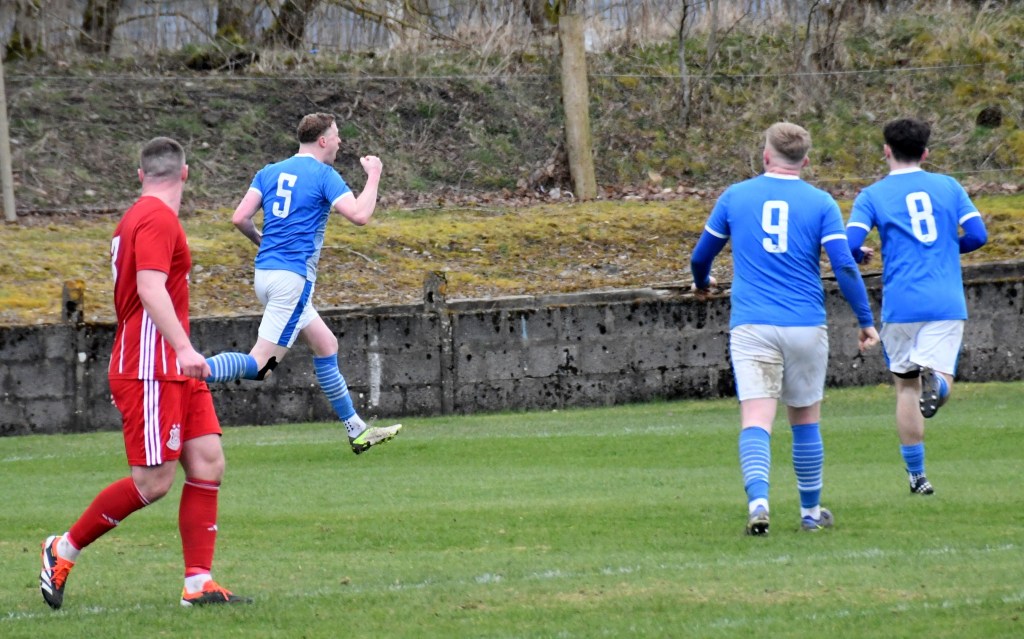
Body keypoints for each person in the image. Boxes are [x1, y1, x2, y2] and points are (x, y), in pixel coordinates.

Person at [40, 137, 250, 609]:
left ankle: (198, 582)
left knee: (208, 462)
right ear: (185, 173)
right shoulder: (156, 218)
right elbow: (150, 288)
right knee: (153, 482)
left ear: (141, 175)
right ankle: (63, 548)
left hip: (172, 368)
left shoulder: (140, 216)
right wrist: (184, 347)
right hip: (150, 368)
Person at [690, 122, 879, 536]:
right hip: (805, 325)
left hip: (753, 324)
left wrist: (702, 283)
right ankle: (810, 513)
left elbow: (700, 257)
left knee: (756, 418)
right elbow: (843, 264)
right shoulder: (821, 202)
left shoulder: (735, 196)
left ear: (765, 156)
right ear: (805, 162)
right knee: (805, 419)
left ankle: (759, 504)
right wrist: (865, 320)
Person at [204, 112, 401, 454]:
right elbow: (360, 215)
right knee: (261, 367)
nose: (339, 142)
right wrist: (374, 175)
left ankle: (357, 431)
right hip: (292, 281)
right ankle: (186, 372)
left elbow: (240, 218)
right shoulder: (324, 175)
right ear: (323, 140)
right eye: (336, 135)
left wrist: (263, 241)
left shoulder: (269, 171)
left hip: (265, 275)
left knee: (326, 345)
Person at [846, 117, 987, 495]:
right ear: (925, 153)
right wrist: (946, 248)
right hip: (944, 301)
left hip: (901, 305)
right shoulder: (949, 186)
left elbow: (849, 243)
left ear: (886, 151)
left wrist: (860, 255)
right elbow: (978, 235)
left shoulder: (872, 195)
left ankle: (917, 476)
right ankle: (938, 383)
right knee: (940, 373)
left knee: (906, 388)